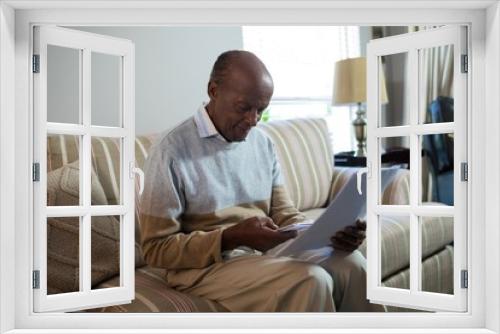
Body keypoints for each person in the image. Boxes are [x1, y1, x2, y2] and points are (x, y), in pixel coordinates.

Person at [139, 50, 385, 312]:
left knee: (353, 264)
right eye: (244, 108)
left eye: (261, 110)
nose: (253, 120)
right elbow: (156, 249)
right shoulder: (171, 150)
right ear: (213, 90)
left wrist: (329, 233)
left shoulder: (262, 143)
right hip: (204, 267)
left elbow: (284, 213)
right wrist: (229, 237)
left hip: (262, 253)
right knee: (311, 280)